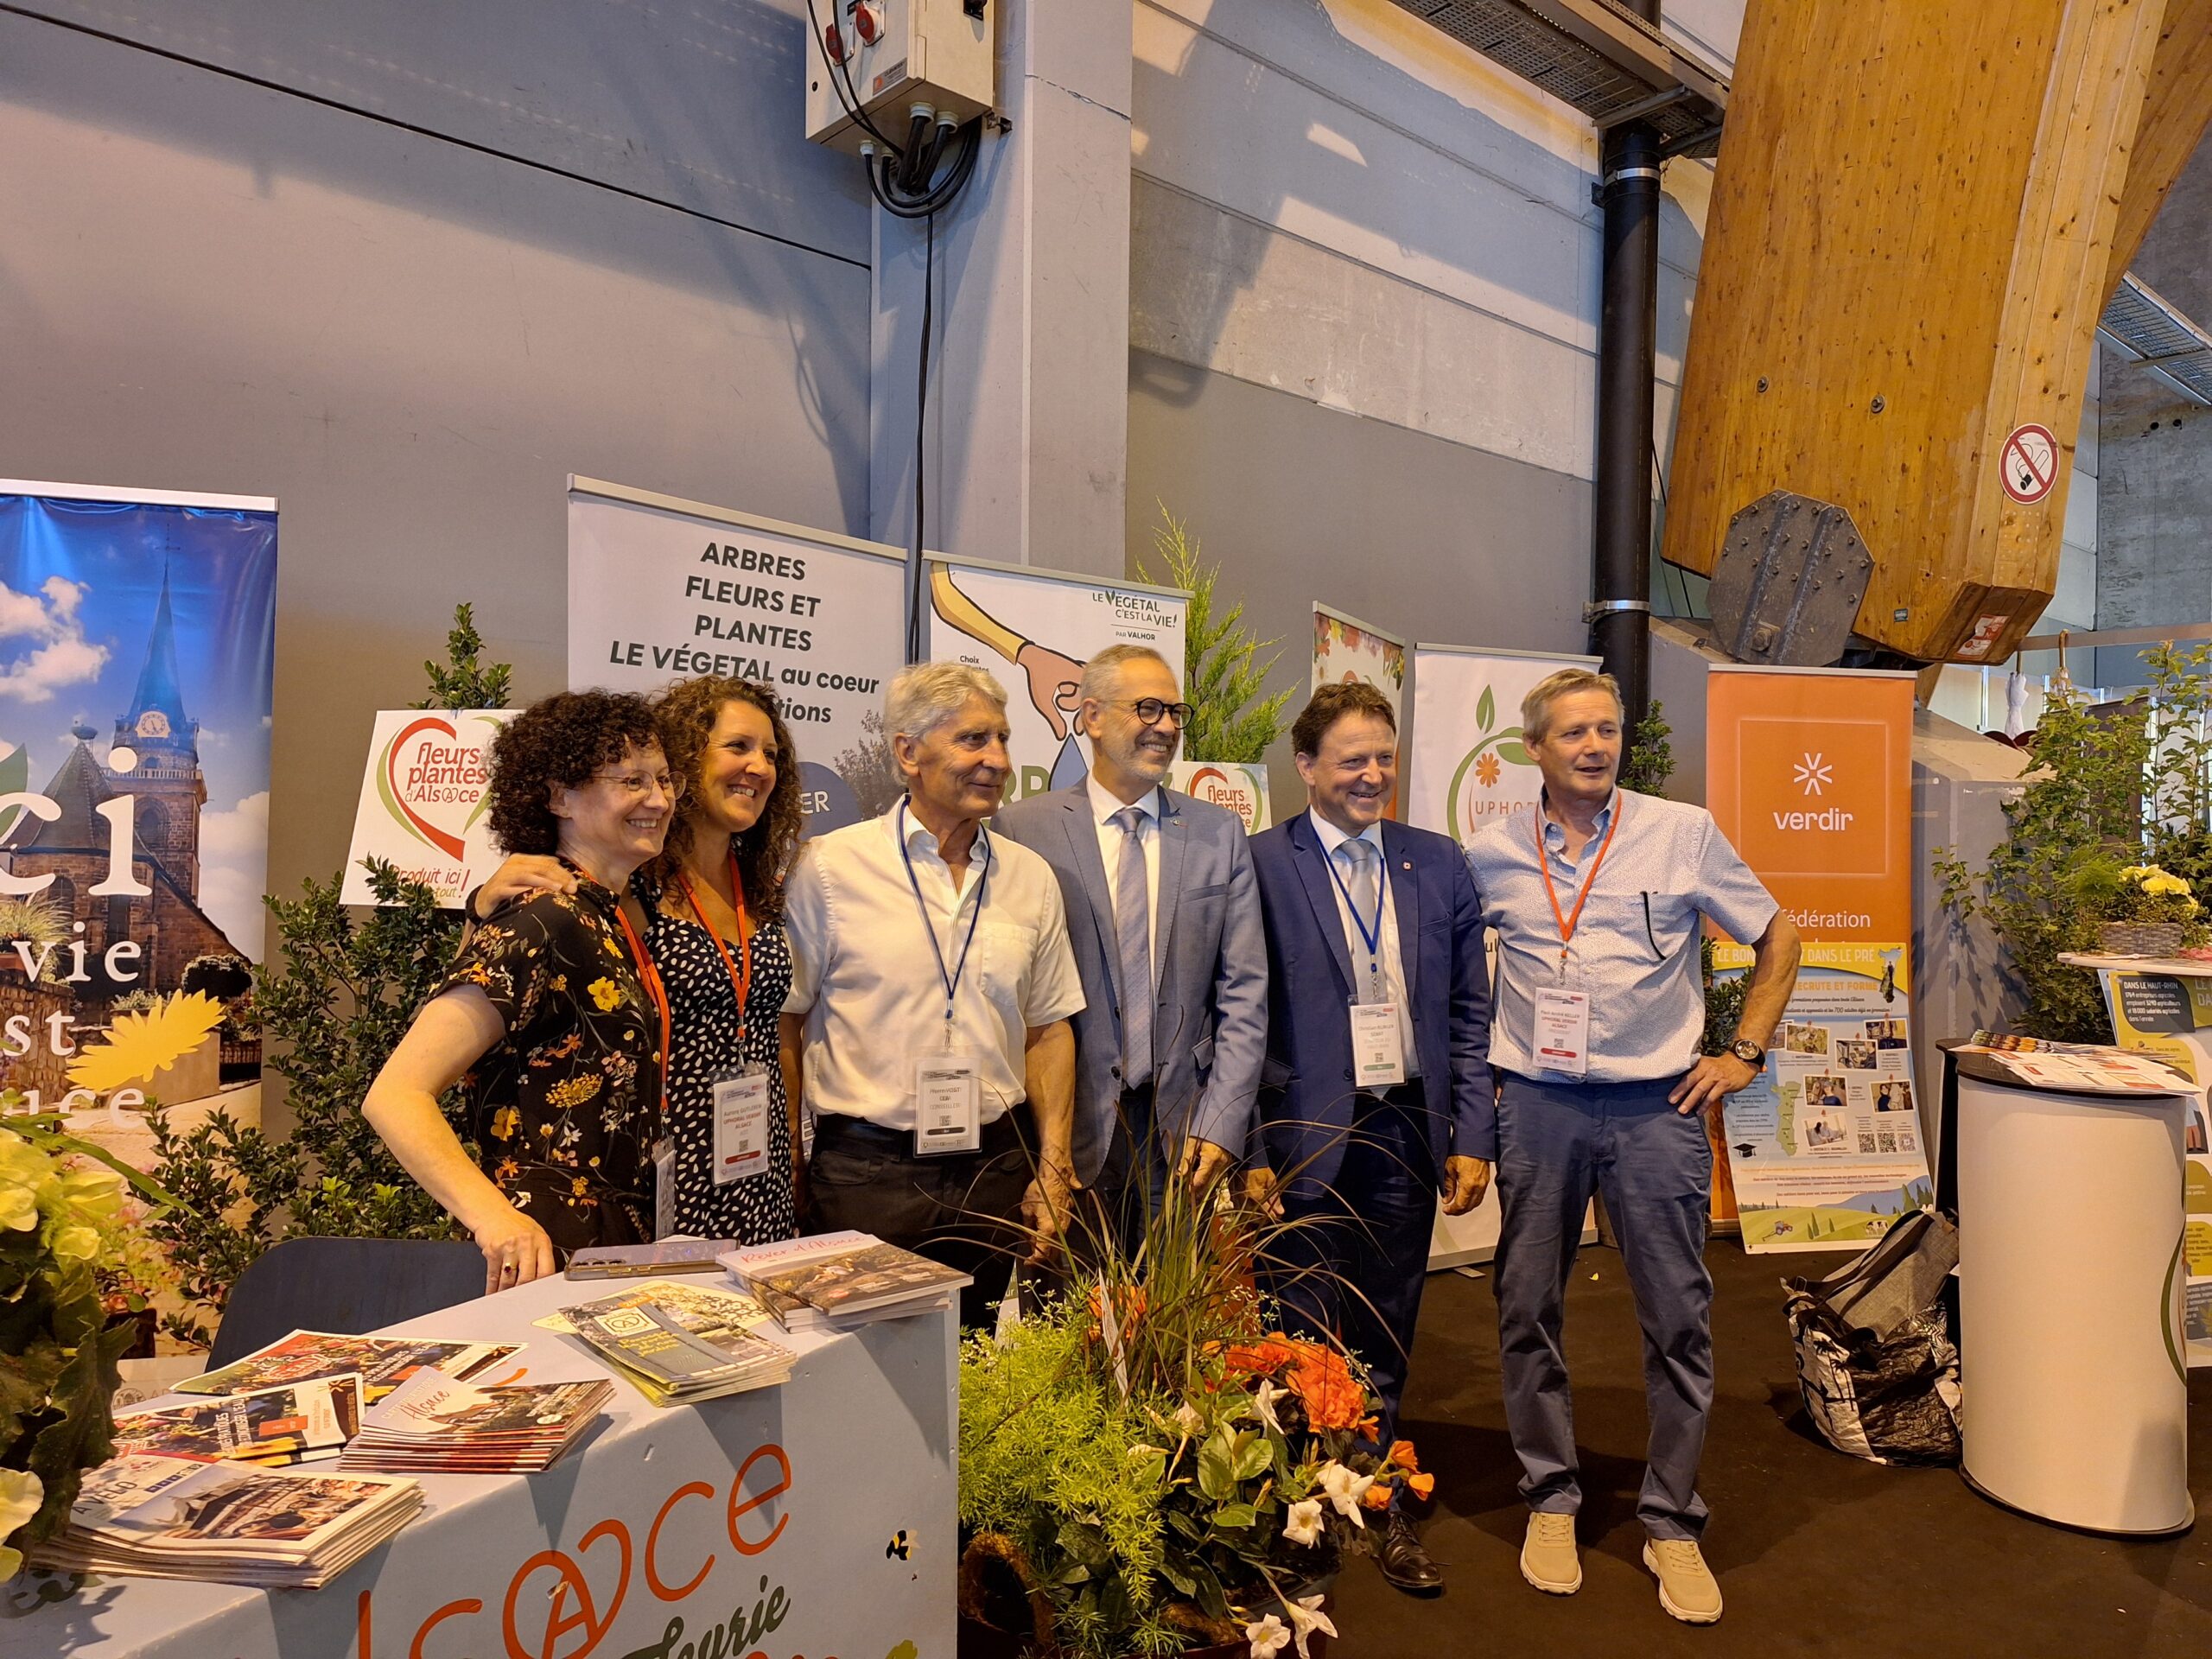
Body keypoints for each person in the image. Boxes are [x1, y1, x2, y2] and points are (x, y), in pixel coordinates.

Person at [1465, 666, 1801, 1628]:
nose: (1594, 747)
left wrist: (1744, 1053)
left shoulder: (1681, 832)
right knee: (1527, 1304)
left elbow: (1779, 936)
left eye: (1606, 730)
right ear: (1533, 748)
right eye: (1573, 732)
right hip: (1538, 1106)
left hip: (1658, 1106)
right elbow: (1449, 976)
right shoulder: (1489, 853)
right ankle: (1551, 1497)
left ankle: (1670, 1521)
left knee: (1679, 1316)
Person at [1246, 681, 1493, 1595]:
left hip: (1406, 1127)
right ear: (1305, 766)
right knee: (1299, 1331)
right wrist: (1250, 1153)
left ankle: (1378, 1499)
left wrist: (1473, 1133)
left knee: (1388, 1324)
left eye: (1384, 757)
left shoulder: (1437, 861)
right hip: (1300, 1136)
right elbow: (1237, 1015)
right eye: (1352, 759)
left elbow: (1468, 1011)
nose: (1372, 774)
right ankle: (1298, 1512)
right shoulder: (1260, 863)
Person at [781, 662, 1085, 1324]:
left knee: (970, 1362)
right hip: (866, 1176)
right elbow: (788, 1021)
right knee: (863, 1366)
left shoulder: (1030, 878)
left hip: (993, 1173)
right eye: (974, 739)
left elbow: (1048, 1028)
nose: (997, 760)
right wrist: (791, 1163)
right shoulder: (829, 869)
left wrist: (1053, 1165)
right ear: (908, 752)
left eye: (1002, 739)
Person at [467, 677, 808, 1245]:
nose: (759, 767)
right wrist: (480, 906)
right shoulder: (629, 877)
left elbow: (774, 1029)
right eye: (739, 747)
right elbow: (504, 984)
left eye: (771, 754)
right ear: (686, 757)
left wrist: (792, 1148)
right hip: (667, 1169)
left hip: (758, 1164)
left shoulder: (760, 886)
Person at [363, 691, 674, 1293]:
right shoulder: (545, 918)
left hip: (604, 1245)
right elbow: (396, 1094)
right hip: (540, 1255)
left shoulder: (600, 915)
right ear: (558, 797)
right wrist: (495, 1220)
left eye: (664, 779)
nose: (658, 800)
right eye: (631, 780)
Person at [994, 645, 1267, 1242]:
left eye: (1174, 711)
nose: (1166, 726)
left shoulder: (1218, 833)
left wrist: (1222, 1122)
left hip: (1184, 1133)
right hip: (1065, 1132)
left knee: (1176, 1302)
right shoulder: (1022, 829)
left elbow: (1245, 993)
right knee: (1070, 1299)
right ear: (1092, 716)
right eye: (1147, 708)